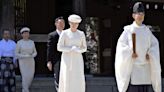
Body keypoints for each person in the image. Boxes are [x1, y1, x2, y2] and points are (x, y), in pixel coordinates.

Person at [115, 2, 161, 92]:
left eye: (142, 14)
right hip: (134, 66)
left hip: (146, 67)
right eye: (138, 14)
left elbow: (154, 45)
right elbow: (121, 46)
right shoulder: (128, 30)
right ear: (133, 15)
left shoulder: (147, 31)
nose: (140, 16)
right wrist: (130, 52)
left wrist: (150, 53)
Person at [57, 14, 87, 92]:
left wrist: (78, 50)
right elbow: (59, 47)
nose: (74, 25)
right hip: (67, 58)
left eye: (76, 24)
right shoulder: (65, 33)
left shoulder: (81, 34)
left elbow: (84, 48)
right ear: (69, 23)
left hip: (77, 58)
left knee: (77, 76)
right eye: (72, 23)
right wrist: (70, 49)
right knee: (67, 76)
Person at [15, 27, 37, 92]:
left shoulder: (32, 42)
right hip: (23, 61)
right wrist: (24, 56)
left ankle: (25, 89)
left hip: (31, 61)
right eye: (24, 33)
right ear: (22, 35)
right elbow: (16, 53)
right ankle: (25, 90)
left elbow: (35, 52)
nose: (26, 35)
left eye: (27, 33)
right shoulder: (19, 43)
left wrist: (32, 55)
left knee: (30, 76)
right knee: (25, 77)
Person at [47, 17, 65, 91]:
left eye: (63, 23)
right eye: (59, 23)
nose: (61, 25)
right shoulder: (52, 35)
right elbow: (49, 49)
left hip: (67, 59)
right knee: (58, 77)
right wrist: (49, 61)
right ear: (56, 24)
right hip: (57, 60)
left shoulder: (67, 34)